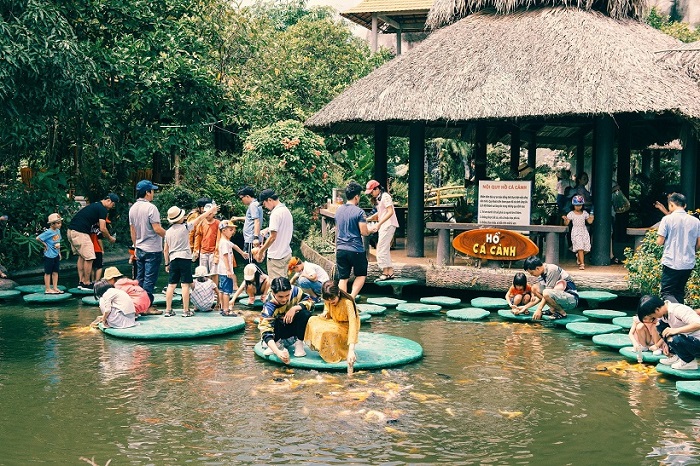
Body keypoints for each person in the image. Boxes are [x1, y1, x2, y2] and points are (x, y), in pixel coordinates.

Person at [163, 203, 219, 317]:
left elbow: (165, 250)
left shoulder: (167, 232)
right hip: (184, 258)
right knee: (185, 285)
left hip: (173, 259)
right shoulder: (185, 227)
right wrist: (211, 210)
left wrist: (166, 263)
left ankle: (168, 310)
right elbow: (199, 219)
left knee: (171, 285)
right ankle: (186, 310)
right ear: (180, 218)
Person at [67, 193, 119, 290]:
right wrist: (110, 238)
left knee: (82, 256)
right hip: (80, 232)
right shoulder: (102, 209)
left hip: (71, 231)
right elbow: (102, 228)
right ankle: (86, 283)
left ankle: (81, 281)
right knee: (90, 257)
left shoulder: (95, 205)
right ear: (109, 201)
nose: (112, 207)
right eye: (113, 204)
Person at [656, 192, 700, 304]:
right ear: (684, 206)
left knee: (666, 293)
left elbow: (659, 242)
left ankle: (677, 313)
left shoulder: (667, 219)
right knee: (679, 292)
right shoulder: (696, 221)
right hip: (688, 263)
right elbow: (698, 243)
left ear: (671, 205)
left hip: (671, 262)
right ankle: (680, 319)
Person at [259, 277, 314, 364]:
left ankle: (299, 343)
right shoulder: (269, 304)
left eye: (287, 295)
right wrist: (278, 352)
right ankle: (276, 344)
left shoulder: (296, 291)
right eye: (280, 296)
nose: (284, 299)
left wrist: (295, 308)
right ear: (273, 293)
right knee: (275, 322)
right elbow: (265, 330)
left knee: (305, 314)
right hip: (278, 331)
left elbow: (310, 302)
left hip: (292, 329)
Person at [304, 281, 360, 366]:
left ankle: (340, 351)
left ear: (338, 293)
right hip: (334, 322)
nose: (330, 302)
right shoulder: (328, 298)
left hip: (346, 328)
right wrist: (325, 313)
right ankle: (321, 348)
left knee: (326, 332)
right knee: (312, 319)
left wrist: (351, 350)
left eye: (333, 299)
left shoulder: (347, 302)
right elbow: (327, 309)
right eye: (328, 300)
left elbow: (353, 325)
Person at [637, 294, 700, 370]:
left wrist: (675, 330)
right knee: (660, 326)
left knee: (675, 337)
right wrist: (667, 344)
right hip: (688, 341)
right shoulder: (664, 315)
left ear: (657, 310)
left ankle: (689, 362)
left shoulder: (678, 310)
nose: (653, 319)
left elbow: (698, 324)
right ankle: (676, 356)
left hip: (696, 342)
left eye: (652, 316)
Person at [129, 180, 166, 303]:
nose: (153, 193)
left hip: (139, 248)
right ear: (147, 192)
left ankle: (138, 304)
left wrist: (135, 247)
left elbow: (132, 230)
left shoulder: (133, 208)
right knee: (149, 280)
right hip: (152, 249)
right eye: (152, 191)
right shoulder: (151, 208)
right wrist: (170, 235)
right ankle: (147, 306)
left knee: (139, 279)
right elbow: (157, 229)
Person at [335, 181, 370, 298]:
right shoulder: (359, 211)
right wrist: (372, 229)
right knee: (361, 275)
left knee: (343, 278)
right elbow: (364, 232)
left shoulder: (338, 210)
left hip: (340, 249)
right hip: (355, 249)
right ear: (356, 197)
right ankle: (352, 298)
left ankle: (342, 301)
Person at [522, 255, 578, 321]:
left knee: (546, 292)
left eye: (531, 272)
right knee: (534, 288)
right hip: (560, 297)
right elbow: (542, 297)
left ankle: (561, 312)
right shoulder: (541, 274)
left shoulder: (552, 270)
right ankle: (553, 309)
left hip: (571, 299)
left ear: (537, 268)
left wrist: (539, 309)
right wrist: (524, 307)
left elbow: (546, 294)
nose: (531, 275)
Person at [365, 180, 399, 281]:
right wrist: (369, 219)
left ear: (377, 189)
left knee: (381, 248)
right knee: (384, 248)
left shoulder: (385, 196)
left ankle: (385, 272)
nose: (371, 194)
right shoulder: (379, 198)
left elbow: (390, 212)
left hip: (388, 225)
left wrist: (379, 223)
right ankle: (390, 272)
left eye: (372, 191)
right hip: (384, 225)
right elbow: (381, 213)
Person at [255, 189, 293, 279]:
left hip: (276, 257)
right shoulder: (286, 210)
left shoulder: (275, 214)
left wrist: (261, 251)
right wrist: (268, 229)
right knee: (285, 284)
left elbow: (273, 237)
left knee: (277, 287)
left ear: (269, 200)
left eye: (264, 204)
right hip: (286, 253)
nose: (265, 207)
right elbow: (282, 227)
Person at [217, 219, 243, 314]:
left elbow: (234, 246)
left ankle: (221, 307)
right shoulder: (224, 243)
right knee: (227, 291)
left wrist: (242, 253)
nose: (233, 232)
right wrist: (228, 270)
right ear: (224, 231)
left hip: (222, 270)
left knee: (222, 289)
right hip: (225, 271)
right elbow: (225, 256)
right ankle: (226, 310)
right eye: (230, 230)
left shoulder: (226, 241)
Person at [562, 195, 594, 270]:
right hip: (576, 231)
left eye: (579, 205)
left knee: (586, 248)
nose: (578, 207)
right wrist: (565, 219)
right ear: (573, 205)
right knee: (580, 247)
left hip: (584, 231)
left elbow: (589, 221)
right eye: (576, 205)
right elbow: (566, 223)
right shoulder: (571, 213)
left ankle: (578, 256)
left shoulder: (585, 213)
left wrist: (592, 217)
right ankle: (582, 264)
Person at [36, 213, 64, 294]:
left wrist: (59, 253)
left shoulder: (58, 231)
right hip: (49, 255)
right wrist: (45, 245)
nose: (60, 225)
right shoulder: (49, 232)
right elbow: (38, 238)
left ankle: (55, 287)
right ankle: (47, 289)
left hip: (56, 254)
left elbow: (58, 242)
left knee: (56, 271)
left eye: (60, 223)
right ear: (52, 224)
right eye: (58, 223)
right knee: (48, 272)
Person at [192, 198, 220, 278]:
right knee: (203, 273)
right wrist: (196, 250)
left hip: (213, 252)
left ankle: (215, 289)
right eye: (205, 213)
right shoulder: (201, 223)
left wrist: (217, 254)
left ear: (213, 214)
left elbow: (219, 239)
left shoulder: (218, 223)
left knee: (214, 272)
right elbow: (197, 236)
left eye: (209, 214)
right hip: (203, 252)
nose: (207, 215)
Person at [234, 187, 263, 263]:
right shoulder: (256, 204)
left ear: (247, 196)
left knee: (251, 263)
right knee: (249, 261)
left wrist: (255, 238)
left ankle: (263, 275)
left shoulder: (253, 205)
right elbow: (250, 218)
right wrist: (237, 218)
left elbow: (257, 221)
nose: (241, 200)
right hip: (249, 239)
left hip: (251, 239)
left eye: (241, 198)